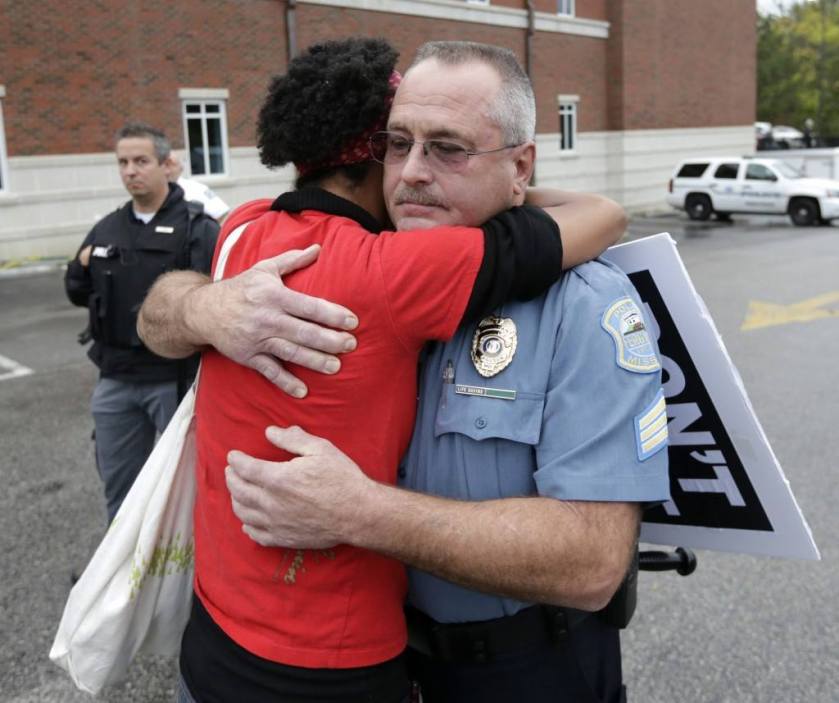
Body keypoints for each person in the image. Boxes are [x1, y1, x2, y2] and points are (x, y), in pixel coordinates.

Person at [138, 39, 627, 703]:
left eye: (446, 148)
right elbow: (604, 215)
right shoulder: (394, 270)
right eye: (398, 145)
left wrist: (202, 300)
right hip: (330, 660)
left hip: (219, 637)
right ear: (371, 154)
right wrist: (196, 307)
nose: (413, 173)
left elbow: (593, 561)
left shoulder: (244, 232)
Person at [64, 122, 219, 523]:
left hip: (174, 381)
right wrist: (82, 268)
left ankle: (185, 579)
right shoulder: (107, 227)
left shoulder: (196, 229)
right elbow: (76, 289)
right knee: (120, 485)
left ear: (167, 165)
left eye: (140, 161)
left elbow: (215, 304)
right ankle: (120, 580)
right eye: (123, 162)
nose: (130, 170)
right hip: (116, 380)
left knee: (185, 487)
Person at [167, 152, 231, 222]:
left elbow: (220, 211)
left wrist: (202, 230)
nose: (167, 169)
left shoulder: (196, 188)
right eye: (165, 164)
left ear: (181, 168)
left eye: (172, 164)